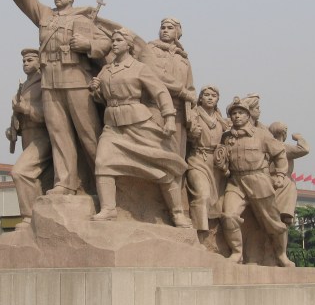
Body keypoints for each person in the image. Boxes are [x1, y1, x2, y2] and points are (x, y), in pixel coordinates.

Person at [0, 0, 112, 195]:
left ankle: (106, 183)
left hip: (76, 81)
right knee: (59, 135)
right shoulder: (46, 16)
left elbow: (105, 44)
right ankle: (65, 183)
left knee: (89, 135)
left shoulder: (83, 20)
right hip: (50, 83)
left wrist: (87, 45)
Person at [89, 28, 191, 227]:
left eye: (119, 40)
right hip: (112, 125)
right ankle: (108, 209)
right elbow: (103, 98)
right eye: (113, 40)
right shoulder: (106, 70)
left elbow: (160, 92)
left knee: (161, 166)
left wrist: (169, 118)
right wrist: (96, 91)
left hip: (138, 123)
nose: (114, 43)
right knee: (102, 163)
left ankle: (177, 213)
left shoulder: (139, 68)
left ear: (129, 45)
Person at [215, 97, 294, 266]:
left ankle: (281, 255)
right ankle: (237, 253)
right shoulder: (226, 137)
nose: (237, 116)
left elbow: (280, 153)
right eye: (234, 113)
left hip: (258, 180)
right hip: (236, 182)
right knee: (228, 216)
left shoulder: (262, 135)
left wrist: (280, 175)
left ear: (248, 115)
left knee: (273, 222)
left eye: (240, 113)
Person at [6, 49, 53, 230]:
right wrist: (13, 130)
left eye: (30, 60)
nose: (25, 63)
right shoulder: (25, 84)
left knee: (20, 172)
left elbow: (49, 114)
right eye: (24, 61)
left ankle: (29, 216)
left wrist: (24, 108)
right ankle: (41, 219)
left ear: (40, 61)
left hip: (42, 137)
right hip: (26, 137)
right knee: (40, 180)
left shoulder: (44, 82)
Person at [139, 17, 196, 158]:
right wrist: (182, 91)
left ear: (177, 32)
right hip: (156, 107)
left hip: (179, 113)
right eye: (163, 27)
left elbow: (190, 88)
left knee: (177, 156)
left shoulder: (183, 58)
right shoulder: (150, 49)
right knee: (155, 152)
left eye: (170, 28)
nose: (165, 30)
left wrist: (193, 111)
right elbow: (156, 74)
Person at [186, 85, 228, 231]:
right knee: (202, 195)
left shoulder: (220, 119)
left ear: (217, 99)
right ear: (200, 98)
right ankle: (200, 232)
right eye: (207, 95)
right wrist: (191, 135)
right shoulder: (193, 114)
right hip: (197, 158)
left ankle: (211, 235)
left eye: (214, 96)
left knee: (216, 202)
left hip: (215, 163)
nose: (210, 98)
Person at [268, 122, 310, 225]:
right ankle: (286, 214)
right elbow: (304, 149)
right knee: (291, 185)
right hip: (282, 181)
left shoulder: (266, 147)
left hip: (268, 180)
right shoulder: (283, 147)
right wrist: (299, 138)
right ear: (284, 133)